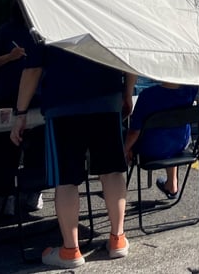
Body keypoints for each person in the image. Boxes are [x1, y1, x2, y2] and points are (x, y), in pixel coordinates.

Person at [11, 46, 136, 269]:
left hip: (63, 103)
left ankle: (71, 250)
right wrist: (127, 92)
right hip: (107, 98)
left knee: (66, 180)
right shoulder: (106, 12)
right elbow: (127, 53)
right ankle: (118, 239)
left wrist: (20, 114)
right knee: (112, 171)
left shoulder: (46, 15)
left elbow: (33, 70)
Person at [0, 0, 44, 216]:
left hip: (36, 99)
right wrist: (10, 57)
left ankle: (33, 191)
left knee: (37, 148)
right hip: (7, 98)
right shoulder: (6, 31)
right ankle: (5, 195)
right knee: (6, 150)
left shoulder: (43, 30)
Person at [124, 82, 198, 199]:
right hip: (180, 143)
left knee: (125, 136)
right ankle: (172, 183)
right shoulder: (191, 89)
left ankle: (114, 186)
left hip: (150, 147)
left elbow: (134, 132)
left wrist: (125, 149)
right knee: (171, 129)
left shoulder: (147, 95)